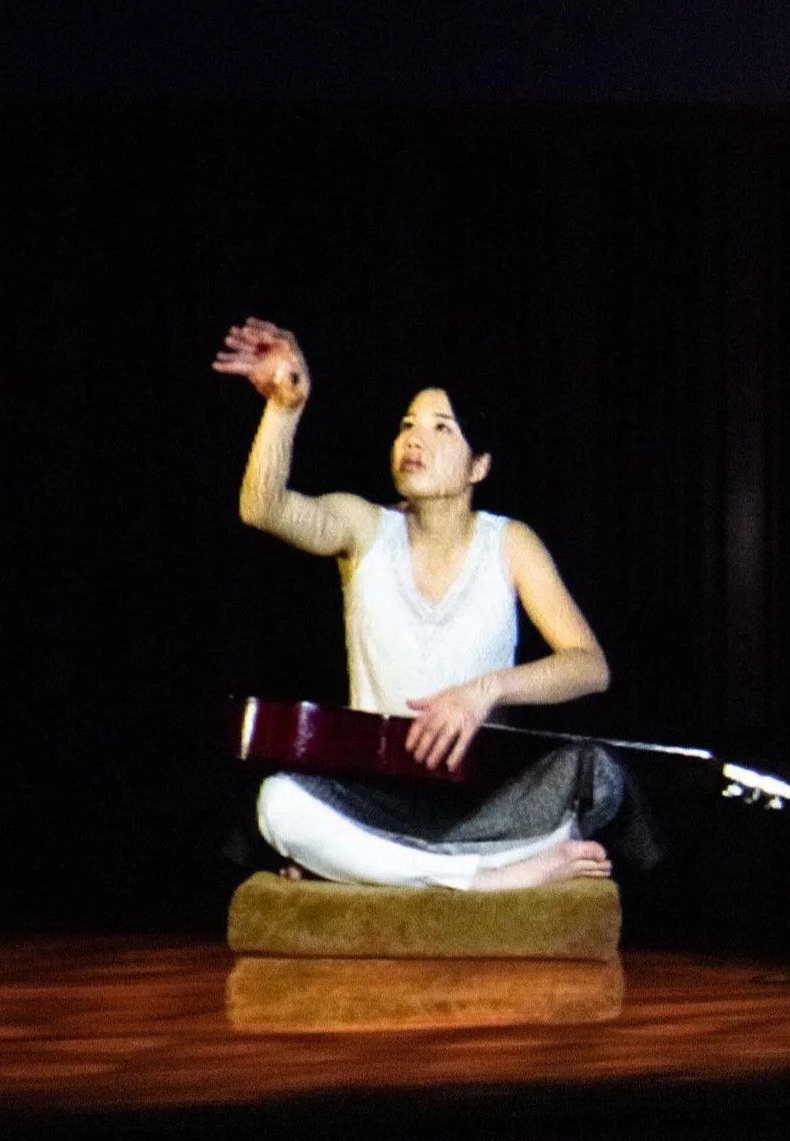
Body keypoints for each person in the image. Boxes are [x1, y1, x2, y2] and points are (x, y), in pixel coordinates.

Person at [213, 317, 659, 890]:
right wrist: (283, 407)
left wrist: (485, 690)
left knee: (595, 775)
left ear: (479, 467)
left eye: (441, 428)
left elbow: (589, 665)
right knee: (278, 802)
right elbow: (262, 508)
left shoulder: (510, 542)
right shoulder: (364, 526)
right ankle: (487, 878)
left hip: (481, 800)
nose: (414, 440)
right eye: (406, 425)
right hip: (377, 797)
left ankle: (384, 869)